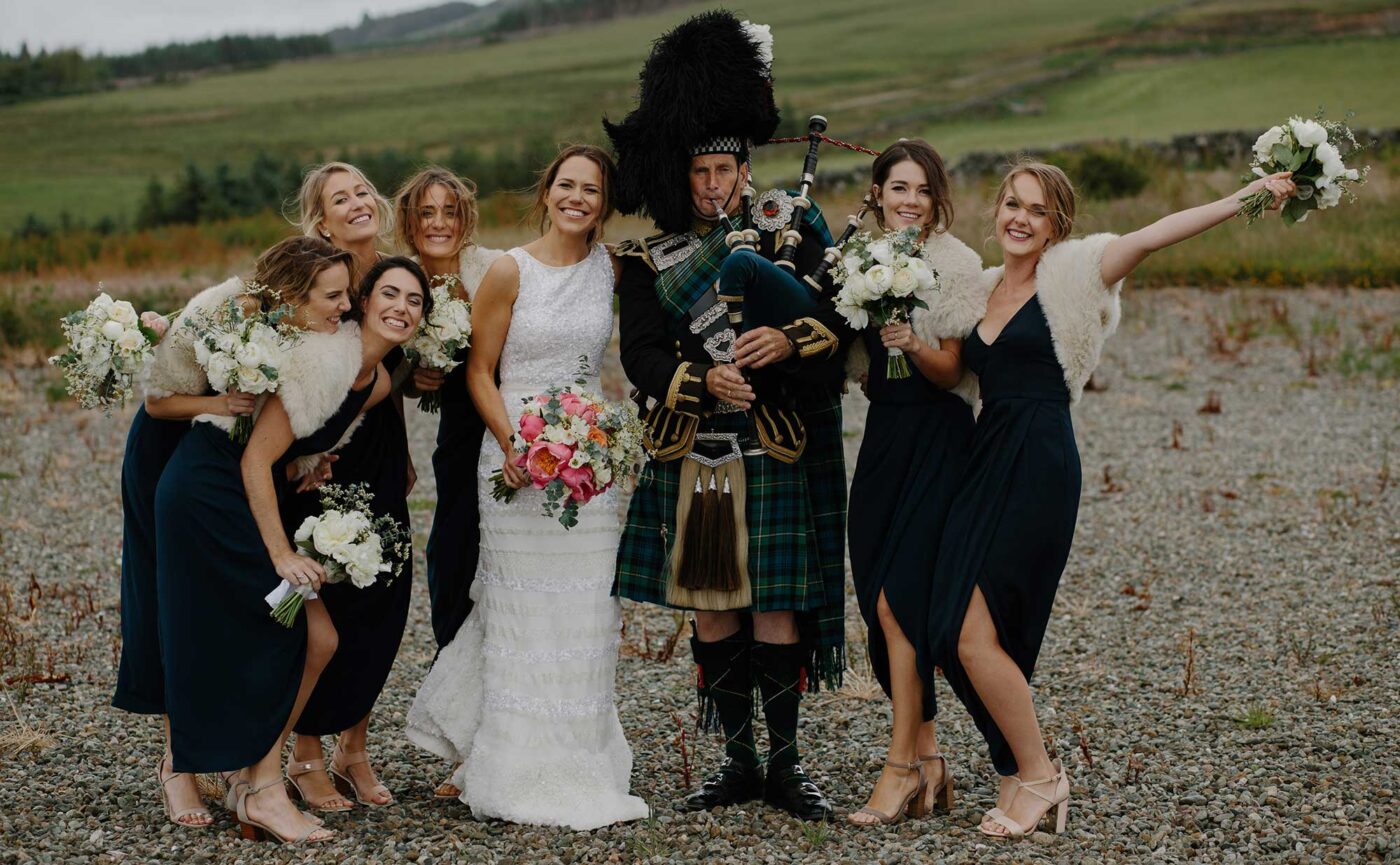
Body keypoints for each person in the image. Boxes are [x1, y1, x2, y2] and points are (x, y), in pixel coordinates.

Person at [927, 159, 1297, 839]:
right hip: (984, 458)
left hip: (1039, 462)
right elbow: (947, 364)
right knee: (950, 630)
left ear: (1057, 225)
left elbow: (1154, 235)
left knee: (978, 634)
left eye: (1037, 210)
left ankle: (1039, 775)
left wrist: (1247, 196)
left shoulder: (1076, 272)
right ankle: (1014, 769)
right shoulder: (980, 287)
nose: (1020, 218)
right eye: (1012, 204)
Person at [605, 10, 852, 822]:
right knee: (714, 604)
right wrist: (703, 379)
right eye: (700, 171)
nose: (712, 185)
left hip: (775, 439)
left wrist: (786, 341)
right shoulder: (650, 258)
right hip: (699, 444)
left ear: (746, 170)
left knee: (776, 603)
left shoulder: (792, 227)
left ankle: (786, 763)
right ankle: (738, 760)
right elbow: (641, 355)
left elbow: (838, 314)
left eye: (724, 170)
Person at [406, 144, 649, 831]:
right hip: (514, 459)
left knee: (586, 608)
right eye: (566, 185)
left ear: (604, 203)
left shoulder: (612, 269)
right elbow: (481, 371)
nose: (577, 198)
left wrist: (603, 438)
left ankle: (579, 755)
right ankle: (508, 758)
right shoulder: (510, 270)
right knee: (519, 604)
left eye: (591, 190)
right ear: (547, 192)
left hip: (588, 463)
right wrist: (514, 445)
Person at [155, 236, 382, 845]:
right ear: (290, 296)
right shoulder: (225, 312)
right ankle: (244, 783)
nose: (346, 307)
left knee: (301, 633)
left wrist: (308, 459)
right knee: (251, 629)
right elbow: (161, 402)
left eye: (347, 295)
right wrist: (282, 554)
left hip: (244, 486)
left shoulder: (319, 344)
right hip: (207, 489)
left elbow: (287, 434)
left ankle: (251, 777)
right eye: (332, 297)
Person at [843, 139, 986, 826]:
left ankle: (899, 767)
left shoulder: (959, 265)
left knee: (899, 599)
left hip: (938, 436)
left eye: (923, 190)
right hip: (884, 439)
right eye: (898, 187)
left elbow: (955, 370)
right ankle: (930, 761)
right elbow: (853, 360)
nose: (910, 200)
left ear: (937, 198)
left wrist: (911, 343)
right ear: (877, 193)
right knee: (875, 593)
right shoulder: (857, 259)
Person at [282, 258, 431, 813]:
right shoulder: (329, 337)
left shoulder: (387, 364)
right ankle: (304, 756)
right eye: (389, 294)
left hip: (383, 466)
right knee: (332, 610)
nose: (401, 306)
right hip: (335, 475)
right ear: (362, 300)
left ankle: (353, 751)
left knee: (383, 610)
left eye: (414, 300)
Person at [112, 291, 254, 828]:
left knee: (230, 598)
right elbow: (157, 403)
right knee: (171, 598)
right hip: (167, 446)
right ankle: (178, 763)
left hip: (230, 458)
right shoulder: (231, 303)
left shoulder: (317, 317)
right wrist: (218, 405)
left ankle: (237, 756)